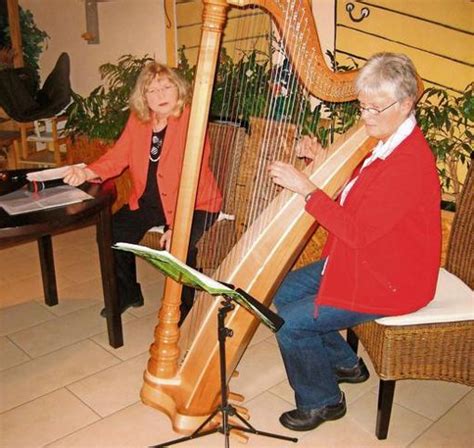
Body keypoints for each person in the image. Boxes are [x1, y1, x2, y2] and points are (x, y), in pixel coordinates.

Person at [268, 52, 441, 431]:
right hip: (366, 258)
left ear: (407, 103)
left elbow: (357, 230)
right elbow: (361, 198)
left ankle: (323, 400)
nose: (366, 117)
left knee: (289, 322)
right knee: (280, 287)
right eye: (363, 107)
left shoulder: (409, 161)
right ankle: (346, 363)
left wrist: (307, 190)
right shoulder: (389, 141)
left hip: (392, 280)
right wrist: (323, 157)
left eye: (376, 108)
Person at [63, 62, 222, 323]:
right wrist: (87, 172)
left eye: (166, 87)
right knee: (112, 232)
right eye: (152, 90)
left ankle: (184, 308)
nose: (160, 96)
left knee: (180, 246)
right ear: (143, 96)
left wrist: (177, 225)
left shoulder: (192, 120)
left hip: (195, 203)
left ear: (178, 90)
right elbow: (118, 156)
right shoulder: (139, 121)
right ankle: (128, 293)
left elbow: (192, 175)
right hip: (149, 202)